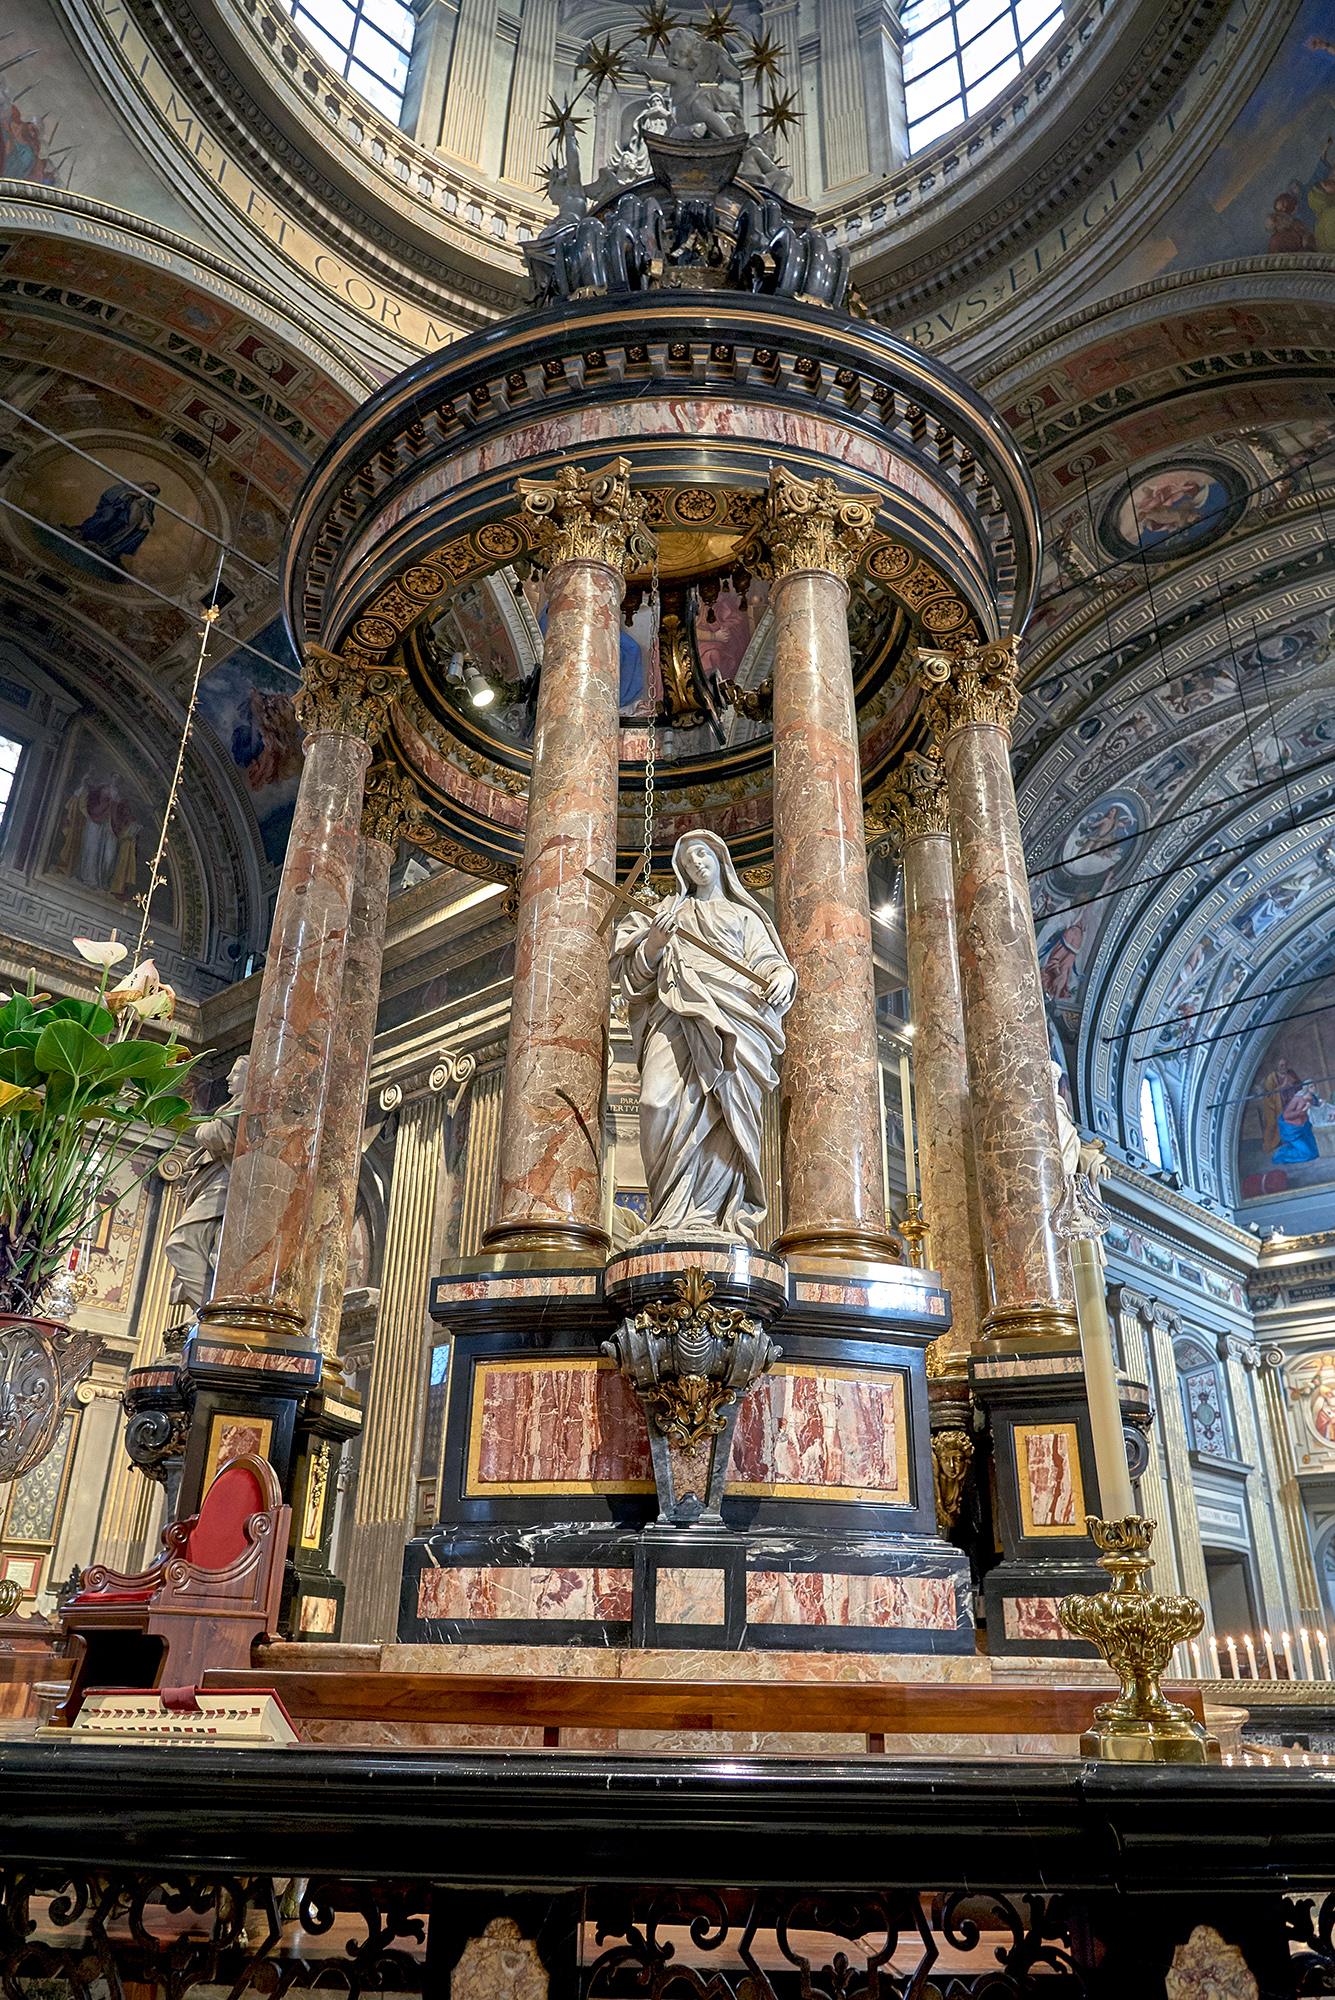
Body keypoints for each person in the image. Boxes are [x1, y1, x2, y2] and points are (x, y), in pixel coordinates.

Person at [610, 831, 794, 1245]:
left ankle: (711, 1216)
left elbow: (769, 963)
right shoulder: (669, 912)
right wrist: (656, 941)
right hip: (675, 1016)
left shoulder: (745, 918)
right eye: (687, 861)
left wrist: (783, 974)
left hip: (735, 1027)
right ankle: (669, 1214)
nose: (696, 863)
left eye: (702, 854)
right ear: (681, 872)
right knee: (655, 1102)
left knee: (723, 1117)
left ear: (720, 858)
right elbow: (634, 981)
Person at [162, 1056, 249, 1309]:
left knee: (182, 1242)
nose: (228, 1078)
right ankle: (209, 1307)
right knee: (205, 1246)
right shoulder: (234, 1104)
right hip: (217, 1178)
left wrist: (207, 1130)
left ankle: (210, 1308)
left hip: (229, 1181)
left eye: (236, 1073)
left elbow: (214, 1135)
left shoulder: (248, 1103)